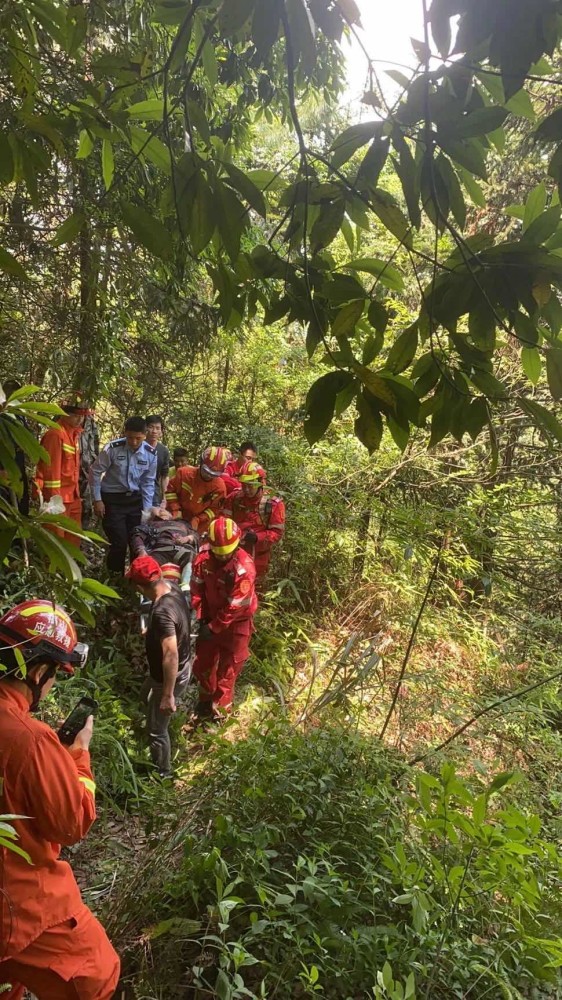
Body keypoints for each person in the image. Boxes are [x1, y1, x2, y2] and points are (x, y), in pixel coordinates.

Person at [0, 600, 120, 999]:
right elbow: (71, 823)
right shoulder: (29, 738)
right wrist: (76, 756)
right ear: (37, 671)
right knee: (98, 978)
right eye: (54, 676)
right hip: (19, 907)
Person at [126, 555, 193, 778]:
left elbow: (171, 655)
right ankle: (138, 726)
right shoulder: (172, 588)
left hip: (169, 675)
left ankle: (163, 774)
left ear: (138, 586)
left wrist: (167, 695)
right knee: (143, 696)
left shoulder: (163, 611)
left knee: (157, 730)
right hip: (172, 669)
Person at [190, 516, 257, 721]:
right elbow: (196, 589)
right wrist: (200, 617)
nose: (221, 558)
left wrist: (214, 627)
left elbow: (234, 607)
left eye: (225, 554)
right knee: (203, 665)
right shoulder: (203, 558)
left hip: (236, 625)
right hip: (210, 618)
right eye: (217, 553)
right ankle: (204, 701)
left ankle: (221, 714)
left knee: (227, 672)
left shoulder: (243, 568)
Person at [89, 416, 157, 574]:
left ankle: (136, 578)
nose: (133, 442)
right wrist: (97, 500)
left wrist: (147, 511)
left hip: (135, 501)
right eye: (130, 437)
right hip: (112, 500)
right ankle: (114, 576)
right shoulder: (112, 449)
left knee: (137, 541)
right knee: (119, 542)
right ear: (125, 433)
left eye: (138, 438)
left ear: (145, 435)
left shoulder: (151, 454)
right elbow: (95, 472)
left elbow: (148, 482)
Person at [35, 395, 89, 544]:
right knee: (55, 542)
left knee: (73, 541)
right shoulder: (55, 435)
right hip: (59, 500)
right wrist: (54, 502)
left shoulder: (74, 435)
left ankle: (69, 567)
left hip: (73, 497)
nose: (79, 419)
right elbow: (50, 472)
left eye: (82, 416)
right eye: (75, 415)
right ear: (64, 414)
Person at [227, 460, 285, 581]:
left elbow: (277, 533)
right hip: (231, 553)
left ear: (260, 483)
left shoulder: (273, 505)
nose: (246, 490)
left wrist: (257, 537)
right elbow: (223, 521)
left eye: (250, 485)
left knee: (256, 589)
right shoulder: (234, 498)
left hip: (258, 558)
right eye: (244, 485)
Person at [129, 507, 199, 588]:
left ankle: (186, 588)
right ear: (151, 516)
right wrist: (141, 551)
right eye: (158, 510)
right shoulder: (149, 525)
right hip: (159, 552)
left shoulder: (183, 524)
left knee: (190, 556)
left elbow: (196, 535)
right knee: (148, 566)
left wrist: (188, 538)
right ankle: (151, 592)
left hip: (182, 550)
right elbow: (137, 535)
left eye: (164, 509)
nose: (161, 510)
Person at [165, 446, 228, 534]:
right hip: (176, 517)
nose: (209, 475)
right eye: (207, 471)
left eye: (214, 474)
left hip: (200, 525)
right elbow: (170, 491)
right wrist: (176, 510)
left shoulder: (220, 487)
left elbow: (214, 509)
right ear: (201, 463)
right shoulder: (183, 474)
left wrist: (199, 519)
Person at [145, 415, 170, 508]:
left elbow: (164, 475)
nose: (154, 431)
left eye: (157, 428)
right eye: (151, 427)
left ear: (161, 431)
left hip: (153, 492)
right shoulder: (137, 446)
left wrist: (164, 496)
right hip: (135, 492)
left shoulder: (163, 451)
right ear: (145, 428)